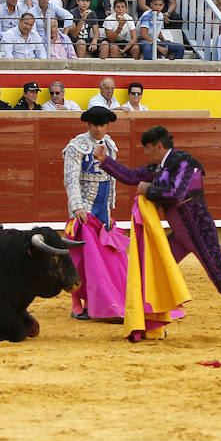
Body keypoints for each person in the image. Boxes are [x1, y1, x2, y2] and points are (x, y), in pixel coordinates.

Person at [96, 126, 221, 343]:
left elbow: (175, 194)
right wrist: (106, 161)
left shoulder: (185, 163)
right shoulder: (159, 167)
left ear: (159, 147)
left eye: (148, 150)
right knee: (152, 273)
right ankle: (152, 327)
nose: (146, 154)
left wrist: (148, 190)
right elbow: (132, 176)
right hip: (181, 234)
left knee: (220, 278)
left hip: (200, 232)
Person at [62, 106, 129, 321]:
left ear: (107, 125)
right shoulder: (76, 147)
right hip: (85, 208)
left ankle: (93, 301)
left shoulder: (110, 145)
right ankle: (76, 303)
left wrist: (109, 211)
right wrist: (77, 207)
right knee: (81, 259)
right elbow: (71, 179)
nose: (99, 129)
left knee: (99, 259)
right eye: (95, 125)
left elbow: (111, 181)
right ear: (88, 125)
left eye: (102, 125)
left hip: (101, 209)